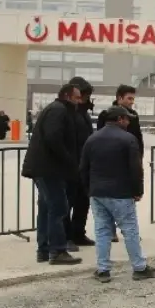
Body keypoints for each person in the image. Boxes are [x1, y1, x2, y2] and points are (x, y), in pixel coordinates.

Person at [81, 106, 155, 283]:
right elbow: (135, 169)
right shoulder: (128, 139)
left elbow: (83, 168)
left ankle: (103, 270)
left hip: (97, 193)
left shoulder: (92, 139)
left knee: (102, 231)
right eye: (127, 119)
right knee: (130, 230)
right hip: (120, 193)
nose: (129, 122)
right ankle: (139, 268)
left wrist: (89, 190)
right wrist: (137, 191)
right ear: (120, 119)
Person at [21, 83, 83, 266]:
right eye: (77, 97)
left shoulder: (56, 109)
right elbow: (53, 138)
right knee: (58, 208)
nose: (79, 101)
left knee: (47, 209)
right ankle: (57, 250)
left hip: (44, 168)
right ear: (67, 96)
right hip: (49, 169)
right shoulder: (59, 111)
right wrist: (69, 159)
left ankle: (44, 249)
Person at [97, 84, 144, 244]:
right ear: (119, 98)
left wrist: (139, 158)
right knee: (110, 197)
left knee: (130, 197)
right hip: (110, 162)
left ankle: (130, 231)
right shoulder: (106, 115)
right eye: (129, 98)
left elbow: (138, 138)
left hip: (129, 160)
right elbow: (100, 137)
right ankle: (111, 231)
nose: (132, 102)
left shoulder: (134, 116)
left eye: (133, 98)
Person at [64, 77, 97, 248]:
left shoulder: (83, 112)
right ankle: (66, 236)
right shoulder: (68, 112)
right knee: (67, 201)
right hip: (71, 164)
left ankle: (78, 232)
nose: (85, 99)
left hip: (84, 164)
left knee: (82, 201)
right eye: (83, 95)